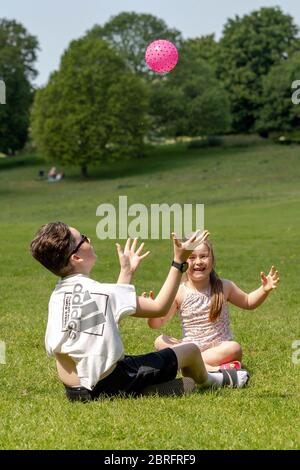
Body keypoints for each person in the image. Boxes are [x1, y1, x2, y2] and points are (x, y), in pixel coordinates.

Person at [30, 223, 249, 402]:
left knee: (181, 382)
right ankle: (215, 379)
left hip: (75, 392)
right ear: (76, 258)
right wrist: (179, 261)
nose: (90, 240)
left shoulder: (57, 296)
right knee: (190, 350)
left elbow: (109, 315)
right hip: (111, 381)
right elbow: (160, 307)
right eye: (84, 238)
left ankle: (141, 391)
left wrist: (126, 272)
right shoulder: (102, 292)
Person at [148, 238, 279, 371]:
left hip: (218, 348)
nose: (198, 261)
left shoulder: (224, 286)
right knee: (160, 340)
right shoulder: (179, 292)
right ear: (184, 262)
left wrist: (264, 290)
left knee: (234, 348)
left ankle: (190, 364)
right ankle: (206, 367)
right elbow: (157, 323)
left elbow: (248, 301)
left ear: (212, 260)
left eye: (204, 256)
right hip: (191, 347)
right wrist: (152, 310)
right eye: (192, 257)